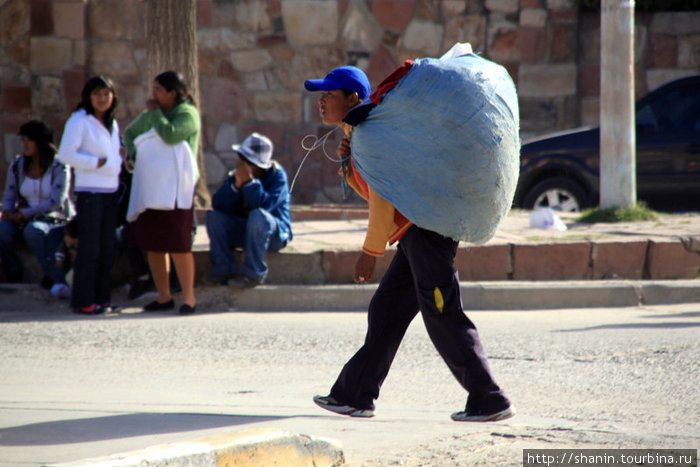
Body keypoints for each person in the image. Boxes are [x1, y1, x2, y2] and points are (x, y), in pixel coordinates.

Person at [305, 66, 515, 422]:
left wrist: (370, 253)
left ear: (353, 99)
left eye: (330, 94)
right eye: (321, 95)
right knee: (386, 311)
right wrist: (348, 163)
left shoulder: (370, 135)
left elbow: (383, 200)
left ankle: (489, 398)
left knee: (442, 313)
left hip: (427, 232)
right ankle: (354, 395)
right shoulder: (360, 134)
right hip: (414, 233)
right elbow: (378, 190)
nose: (322, 101)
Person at [122, 71, 200, 315]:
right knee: (155, 244)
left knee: (179, 244)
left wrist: (155, 114)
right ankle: (164, 296)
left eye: (158, 90)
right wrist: (135, 156)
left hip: (177, 188)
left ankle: (189, 299)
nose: (153, 94)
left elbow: (170, 135)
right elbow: (129, 134)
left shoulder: (188, 114)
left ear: (172, 93)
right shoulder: (150, 116)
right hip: (152, 187)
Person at [57, 75, 122, 314]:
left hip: (110, 191)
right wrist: (97, 163)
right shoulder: (79, 120)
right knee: (90, 249)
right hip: (90, 192)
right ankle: (83, 300)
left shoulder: (112, 123)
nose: (102, 99)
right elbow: (65, 155)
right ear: (88, 96)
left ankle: (102, 299)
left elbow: (112, 154)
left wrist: (118, 160)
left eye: (107, 94)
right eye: (97, 94)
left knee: (107, 248)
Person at [204, 132, 292, 288]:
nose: (241, 164)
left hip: (273, 235)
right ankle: (223, 269)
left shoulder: (277, 176)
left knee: (258, 215)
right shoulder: (238, 175)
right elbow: (218, 204)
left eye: (247, 161)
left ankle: (253, 274)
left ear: (259, 166)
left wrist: (250, 184)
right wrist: (236, 187)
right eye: (241, 158)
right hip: (246, 232)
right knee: (214, 217)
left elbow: (264, 205)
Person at [0, 120, 74, 287]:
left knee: (34, 231)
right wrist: (7, 211)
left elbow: (56, 201)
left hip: (52, 217)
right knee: (2, 229)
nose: (25, 145)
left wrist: (25, 214)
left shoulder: (59, 165)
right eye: (23, 140)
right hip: (22, 217)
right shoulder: (18, 164)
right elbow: (10, 194)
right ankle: (13, 270)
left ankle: (51, 273)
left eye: (29, 140)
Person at [50, 217, 78, 299]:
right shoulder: (66, 243)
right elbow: (60, 250)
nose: (66, 238)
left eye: (67, 235)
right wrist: (59, 259)